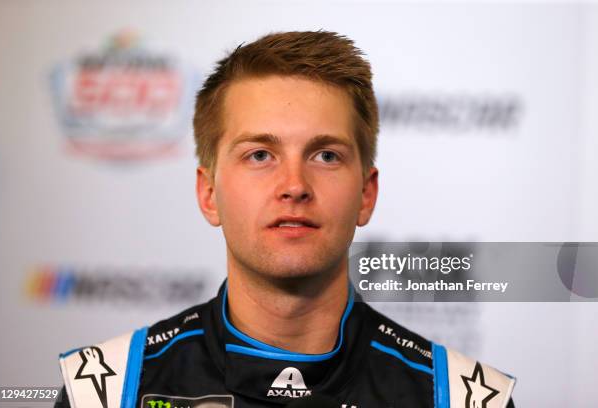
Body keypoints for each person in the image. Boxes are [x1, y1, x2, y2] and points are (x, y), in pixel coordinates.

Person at [55, 31, 515, 408]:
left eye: (326, 155)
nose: (294, 185)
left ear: (366, 194)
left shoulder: (465, 398)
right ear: (209, 193)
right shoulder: (105, 392)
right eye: (260, 154)